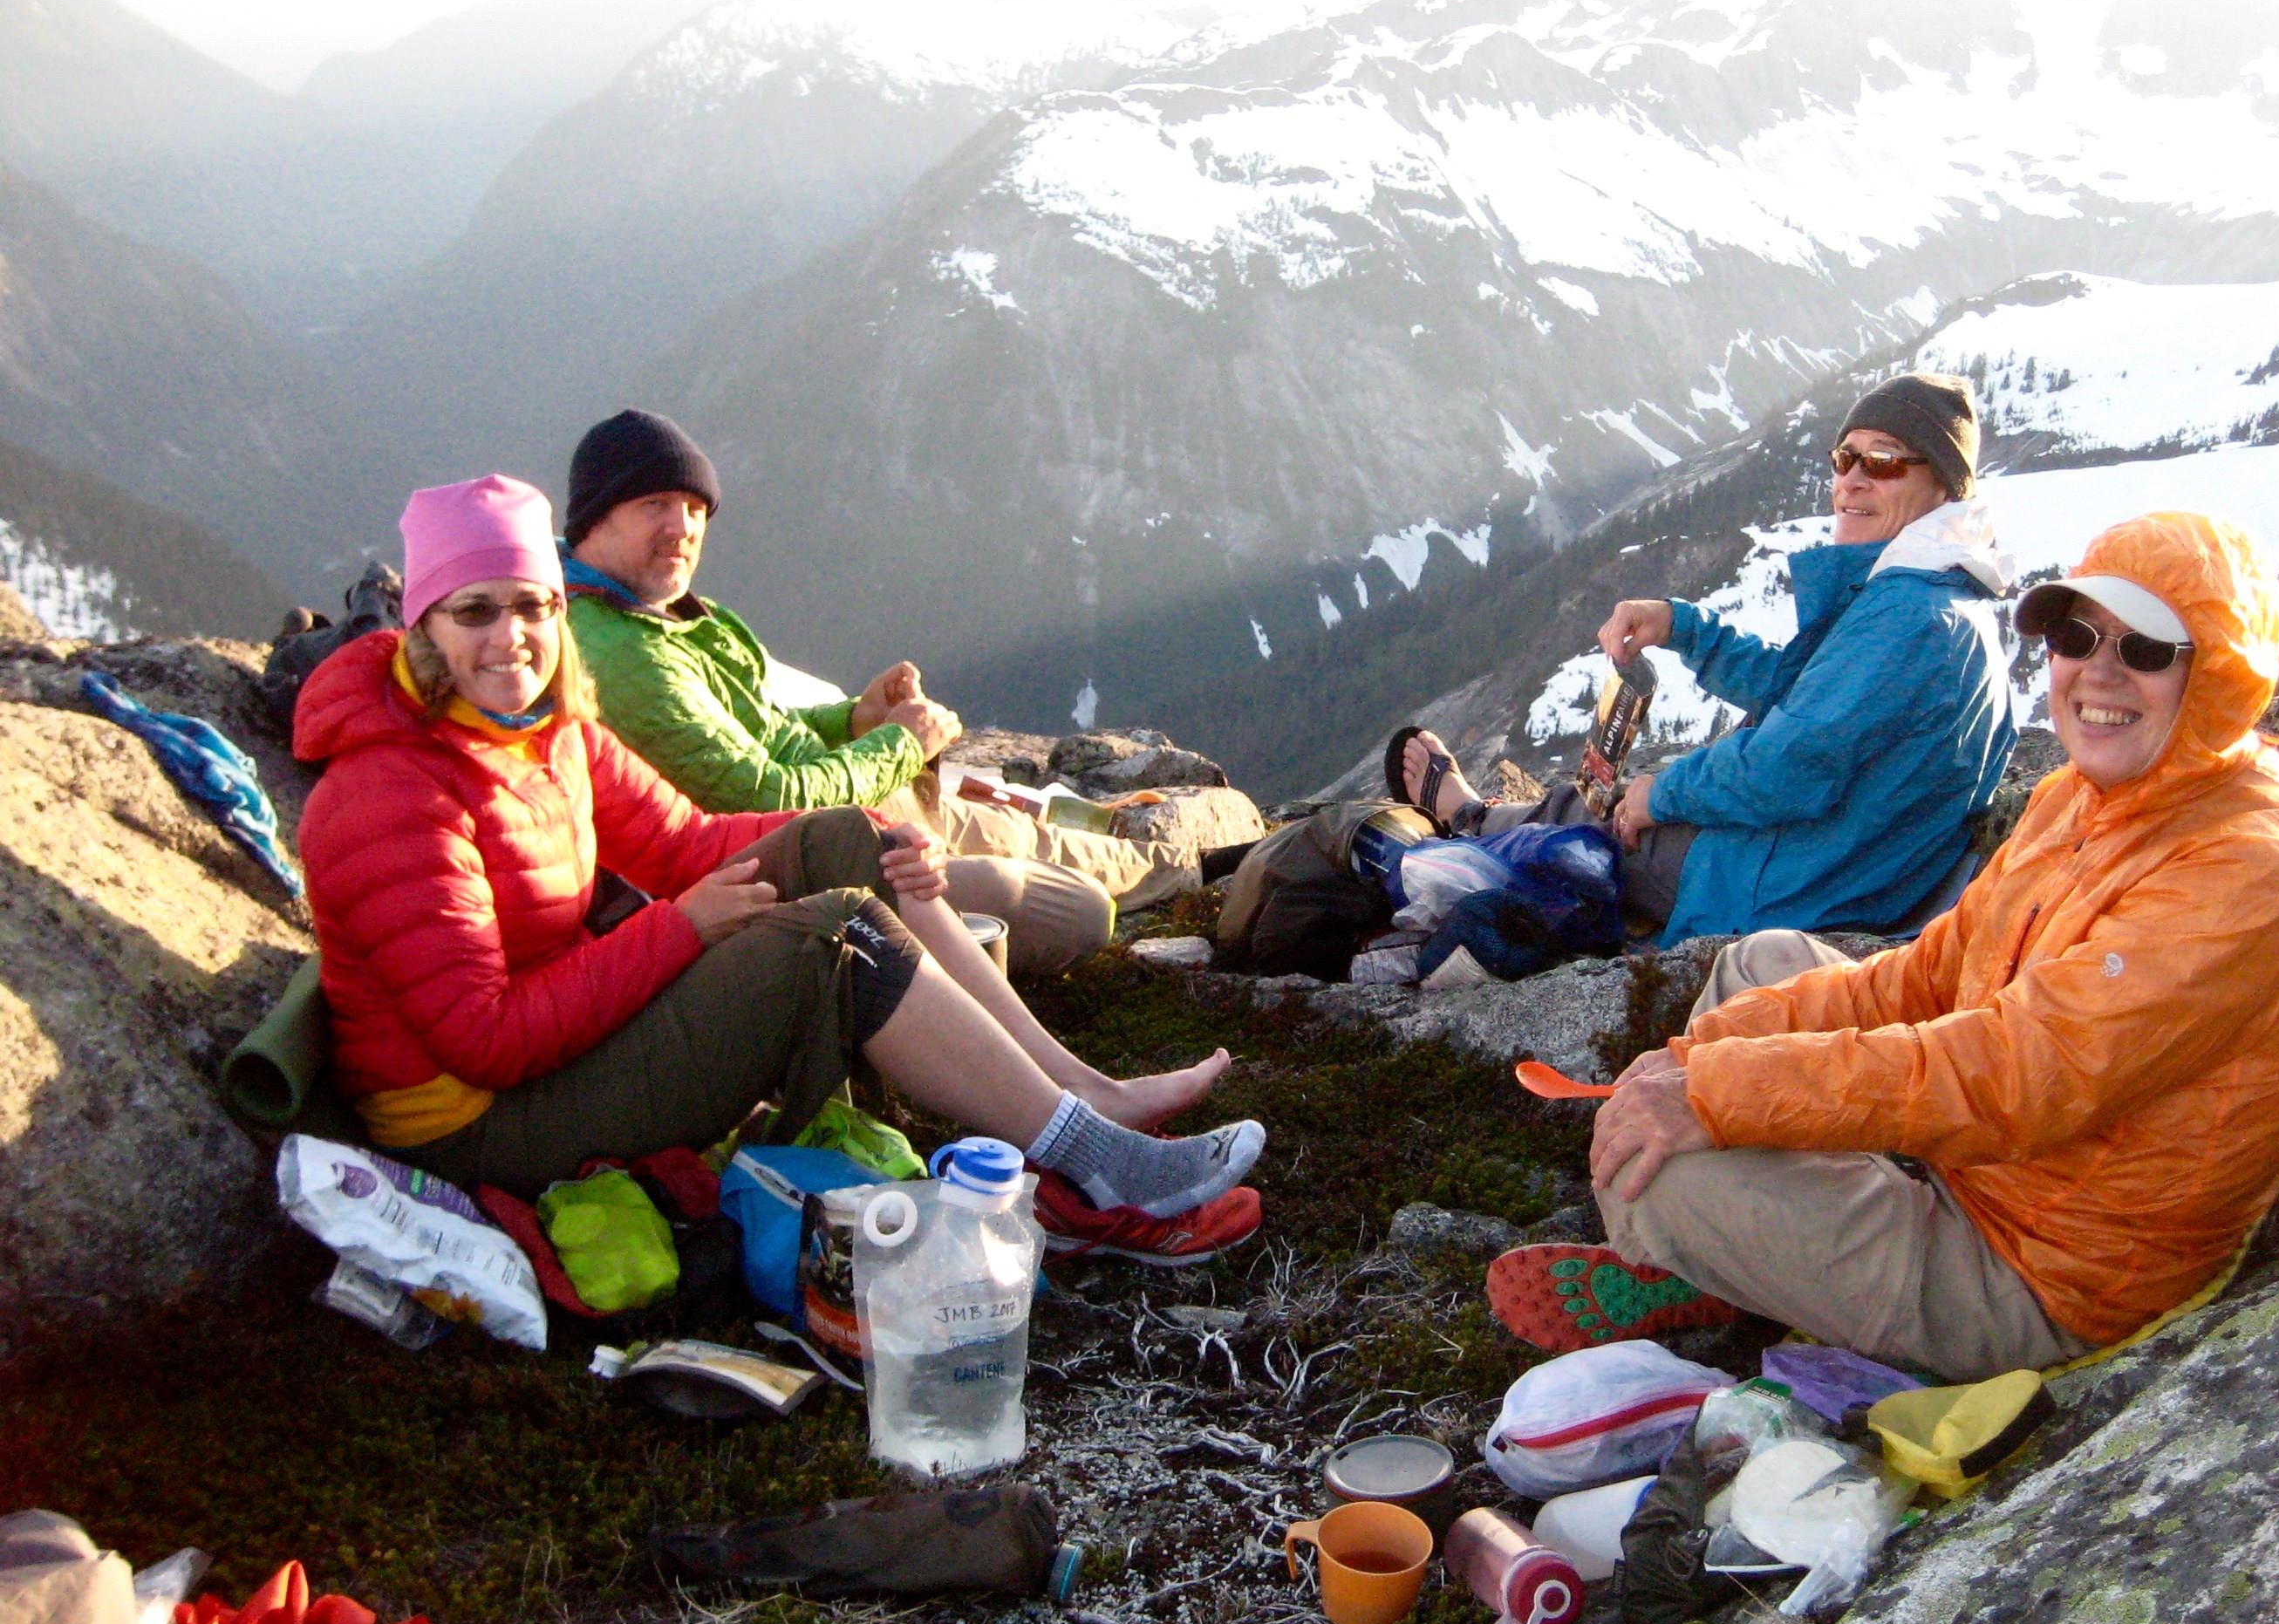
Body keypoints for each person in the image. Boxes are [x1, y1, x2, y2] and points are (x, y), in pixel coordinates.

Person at [294, 474, 1264, 1262]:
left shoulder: (542, 734)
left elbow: (681, 844)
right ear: (424, 628)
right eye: (476, 611)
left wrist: (876, 833)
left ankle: (1077, 1094)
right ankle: (1091, 1169)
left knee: (844, 843)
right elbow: (484, 1043)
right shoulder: (391, 797)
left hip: (556, 1044)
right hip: (479, 1124)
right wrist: (679, 932)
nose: (512, 637)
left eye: (534, 607)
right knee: (831, 942)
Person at [1484, 512, 2279, 1382]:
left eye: (2144, 650)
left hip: (2043, 1275)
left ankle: (1725, 1270)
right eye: (2077, 632)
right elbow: (1938, 970)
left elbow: (2018, 1073)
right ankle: (1750, 1262)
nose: (2097, 670)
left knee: (1666, 1181)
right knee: (1761, 966)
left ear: (2218, 676)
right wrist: (1697, 1061)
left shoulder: (2249, 876)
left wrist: (1715, 1095)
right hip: (1980, 1168)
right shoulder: (2084, 797)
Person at [557, 409, 1201, 975]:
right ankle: (1195, 875)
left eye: (696, 508)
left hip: (873, 818)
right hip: (820, 865)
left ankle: (1201, 865)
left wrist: (852, 719)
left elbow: (751, 729)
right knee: (1078, 911)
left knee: (1052, 842)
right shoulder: (616, 652)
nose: (682, 527)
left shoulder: (665, 615)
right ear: (595, 516)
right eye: (654, 506)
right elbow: (760, 798)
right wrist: (899, 743)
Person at [1388, 374, 2016, 944]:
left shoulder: (1909, 615)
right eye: (1844, 457)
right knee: (1619, 803)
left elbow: (1785, 768)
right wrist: (1685, 627)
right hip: (1835, 863)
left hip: (1790, 886)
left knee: (1599, 827)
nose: (1850, 478)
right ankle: (1484, 818)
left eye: (1880, 461)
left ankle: (1471, 823)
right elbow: (1808, 695)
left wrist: (1661, 793)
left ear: (1942, 485)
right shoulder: (1939, 594)